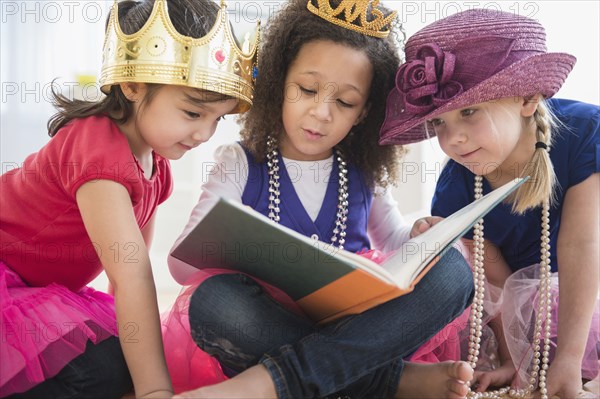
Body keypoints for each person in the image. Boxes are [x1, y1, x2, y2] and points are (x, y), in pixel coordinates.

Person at [165, 0, 476, 398]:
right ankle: (390, 381)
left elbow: (396, 246)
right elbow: (180, 264)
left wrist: (422, 239)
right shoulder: (240, 162)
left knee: (452, 272)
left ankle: (275, 382)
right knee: (215, 302)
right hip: (271, 323)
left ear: (363, 112)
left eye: (345, 102)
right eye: (307, 89)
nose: (321, 112)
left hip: (360, 323)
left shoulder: (362, 173)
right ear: (280, 84)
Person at [0, 0, 259, 397]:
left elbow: (127, 279)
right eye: (193, 113)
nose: (206, 134)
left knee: (120, 361)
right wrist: (155, 392)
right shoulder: (96, 148)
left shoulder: (158, 167)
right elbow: (131, 276)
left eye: (217, 119)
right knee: (102, 372)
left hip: (41, 286)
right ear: (134, 86)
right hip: (9, 278)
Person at [380, 8, 599, 399]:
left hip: (585, 295)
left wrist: (567, 358)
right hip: (515, 314)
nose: (454, 140)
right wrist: (513, 358)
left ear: (528, 98)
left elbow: (582, 245)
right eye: (439, 123)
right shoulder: (456, 184)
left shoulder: (585, 131)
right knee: (449, 270)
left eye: (469, 112)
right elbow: (492, 284)